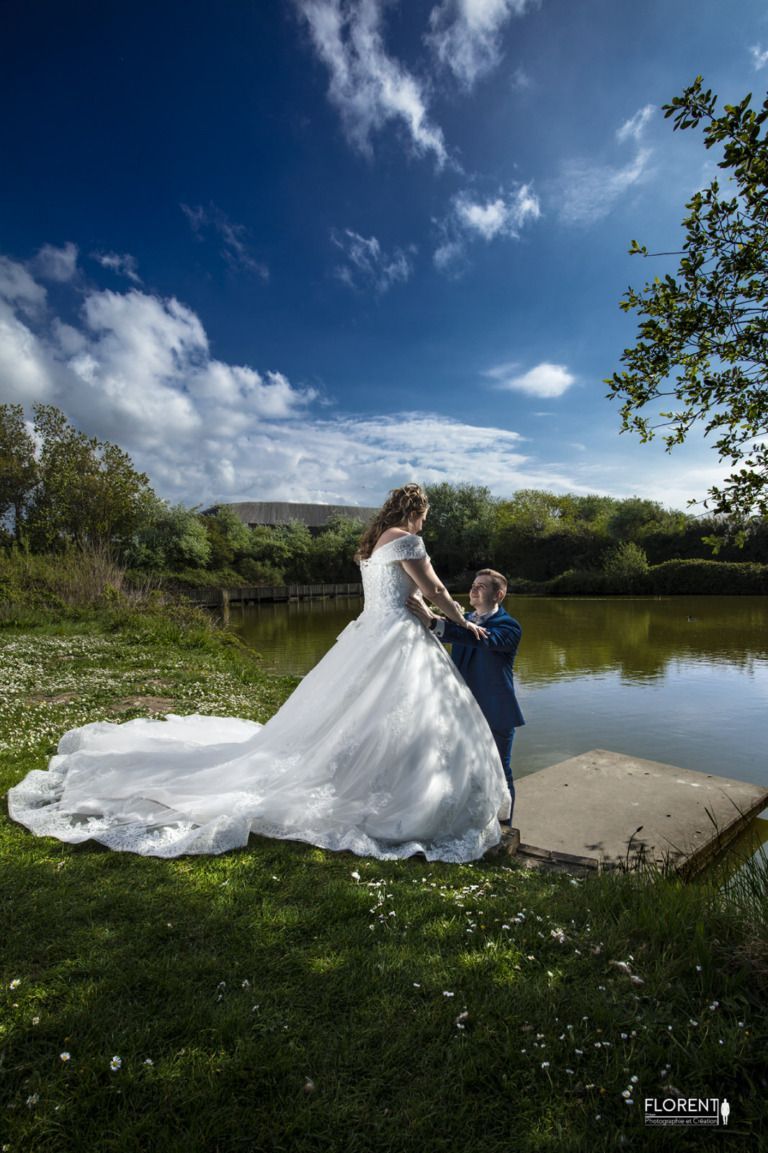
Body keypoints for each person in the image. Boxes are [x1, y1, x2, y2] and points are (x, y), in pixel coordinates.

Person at [8, 484, 511, 863]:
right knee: (407, 715)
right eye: (424, 516)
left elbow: (398, 592)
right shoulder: (409, 541)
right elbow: (437, 587)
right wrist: (460, 619)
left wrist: (421, 608)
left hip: (372, 631)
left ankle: (379, 778)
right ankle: (403, 794)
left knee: (360, 716)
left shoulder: (375, 542)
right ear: (415, 511)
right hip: (397, 637)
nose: (424, 524)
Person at [407, 568, 523, 824]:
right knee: (458, 769)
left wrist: (434, 621)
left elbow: (480, 640)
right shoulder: (463, 620)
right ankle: (469, 821)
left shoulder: (510, 626)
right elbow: (454, 632)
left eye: (481, 586)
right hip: (458, 709)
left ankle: (505, 826)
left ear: (499, 594)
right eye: (473, 584)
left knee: (500, 771)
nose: (474, 588)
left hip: (495, 712)